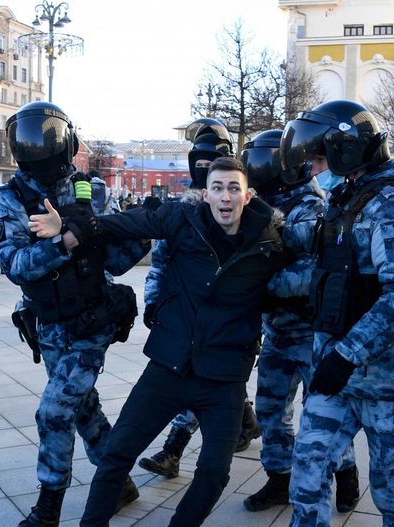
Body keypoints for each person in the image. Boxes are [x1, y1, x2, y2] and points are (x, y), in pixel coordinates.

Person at [35, 156, 284, 527]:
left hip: (223, 379)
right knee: (117, 454)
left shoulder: (268, 244)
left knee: (214, 473)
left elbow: (301, 285)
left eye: (234, 188)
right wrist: (71, 228)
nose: (226, 197)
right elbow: (123, 224)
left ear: (248, 196)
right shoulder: (183, 220)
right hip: (169, 368)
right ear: (206, 194)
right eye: (217, 188)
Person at [0, 102, 148, 527]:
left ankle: (48, 508)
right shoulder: (7, 199)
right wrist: (70, 240)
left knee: (54, 411)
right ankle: (121, 482)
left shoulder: (90, 191)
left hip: (92, 322)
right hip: (49, 324)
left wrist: (127, 228)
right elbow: (16, 266)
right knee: (83, 409)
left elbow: (119, 259)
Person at [282, 100, 394, 526]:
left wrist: (347, 353)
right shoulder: (344, 202)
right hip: (335, 380)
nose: (313, 170)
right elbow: (323, 265)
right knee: (307, 481)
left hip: (386, 382)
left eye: (317, 159)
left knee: (393, 494)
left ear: (345, 153)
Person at [237, 130, 361, 514]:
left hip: (311, 334)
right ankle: (279, 477)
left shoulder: (311, 207)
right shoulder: (257, 207)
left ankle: (347, 473)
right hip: (277, 331)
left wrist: (262, 284)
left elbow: (313, 274)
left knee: (325, 414)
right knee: (272, 409)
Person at [136, 118, 262, 482]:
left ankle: (173, 449)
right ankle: (246, 420)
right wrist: (154, 301)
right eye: (199, 159)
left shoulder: (239, 203)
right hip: (182, 310)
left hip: (227, 319)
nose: (205, 166)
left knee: (201, 376)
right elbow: (160, 259)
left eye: (213, 159)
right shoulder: (182, 207)